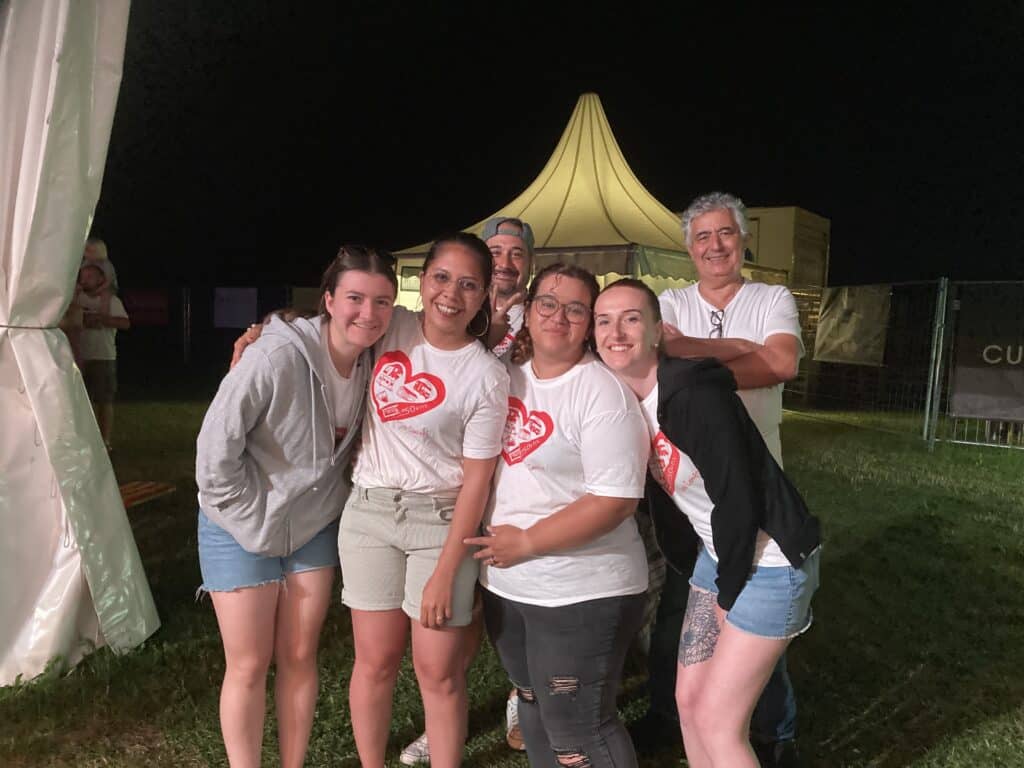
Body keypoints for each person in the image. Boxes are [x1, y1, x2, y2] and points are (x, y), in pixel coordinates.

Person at [593, 278, 820, 768]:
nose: (616, 332)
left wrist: (728, 592)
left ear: (658, 331)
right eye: (603, 320)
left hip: (771, 561)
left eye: (631, 318)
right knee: (690, 703)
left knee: (719, 724)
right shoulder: (623, 400)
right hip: (717, 555)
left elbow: (739, 500)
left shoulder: (691, 394)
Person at [195, 245, 398, 768]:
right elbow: (214, 449)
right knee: (248, 663)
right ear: (328, 300)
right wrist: (248, 515)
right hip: (240, 523)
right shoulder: (275, 355)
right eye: (355, 299)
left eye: (382, 301)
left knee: (300, 656)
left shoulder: (375, 358)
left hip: (313, 524)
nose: (368, 313)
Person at [642, 191, 806, 767]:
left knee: (758, 634)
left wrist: (693, 358)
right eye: (703, 236)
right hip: (693, 499)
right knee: (681, 619)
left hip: (756, 493)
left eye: (726, 233)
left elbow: (782, 362)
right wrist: (739, 351)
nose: (715, 246)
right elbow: (658, 364)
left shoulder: (771, 297)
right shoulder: (670, 301)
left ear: (743, 241)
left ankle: (775, 733)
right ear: (689, 248)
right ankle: (673, 717)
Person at [465, 263, 651, 768]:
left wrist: (527, 542)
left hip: (582, 589)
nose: (558, 316)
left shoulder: (601, 393)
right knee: (531, 701)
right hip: (509, 585)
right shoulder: (505, 378)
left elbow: (615, 500)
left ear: (588, 323)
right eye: (547, 303)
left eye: (575, 309)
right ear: (528, 311)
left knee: (579, 730)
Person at [342, 232, 509, 768]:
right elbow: (329, 324)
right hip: (369, 513)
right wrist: (264, 334)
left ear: (484, 296)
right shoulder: (391, 326)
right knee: (374, 662)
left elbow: (477, 482)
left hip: (440, 523)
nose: (451, 294)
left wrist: (446, 570)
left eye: (468, 285)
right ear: (421, 279)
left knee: (439, 672)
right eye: (441, 277)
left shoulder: (486, 375)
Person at [399, 215, 536, 765]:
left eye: (516, 254)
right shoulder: (449, 316)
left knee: (508, 600)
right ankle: (441, 720)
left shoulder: (538, 317)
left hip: (515, 481)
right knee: (465, 607)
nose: (505, 262)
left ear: (529, 264)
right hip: (455, 483)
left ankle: (519, 697)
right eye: (496, 252)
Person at [74, 243, 129, 451]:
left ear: (102, 279)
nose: (85, 279)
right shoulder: (75, 299)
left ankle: (105, 441)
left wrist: (103, 319)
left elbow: (125, 323)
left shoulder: (111, 300)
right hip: (79, 356)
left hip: (103, 357)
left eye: (91, 276)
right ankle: (84, 440)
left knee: (104, 401)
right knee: (82, 402)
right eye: (83, 275)